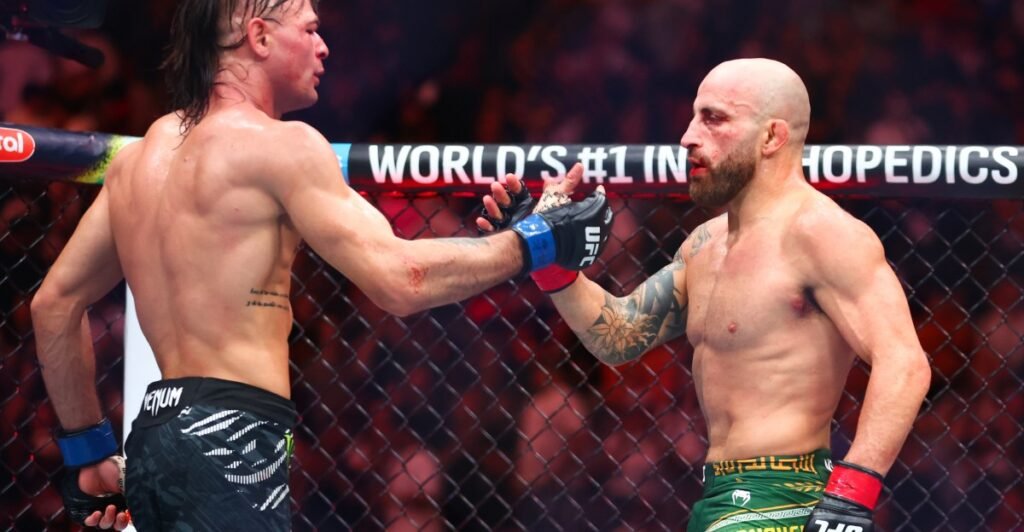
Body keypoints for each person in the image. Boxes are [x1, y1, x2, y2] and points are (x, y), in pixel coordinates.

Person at [29, 0, 612, 529]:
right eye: (309, 29)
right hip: (232, 435)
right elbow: (401, 279)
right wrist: (536, 242)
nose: (324, 46)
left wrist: (89, 454)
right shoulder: (283, 145)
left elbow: (53, 305)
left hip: (153, 437)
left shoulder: (138, 159)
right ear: (259, 36)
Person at [479, 58, 931, 531]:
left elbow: (905, 363)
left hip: (785, 502)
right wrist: (546, 258)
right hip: (720, 499)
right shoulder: (705, 244)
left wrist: (849, 500)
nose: (688, 137)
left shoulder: (822, 233)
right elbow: (620, 335)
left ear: (772, 137)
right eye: (695, 117)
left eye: (714, 118)